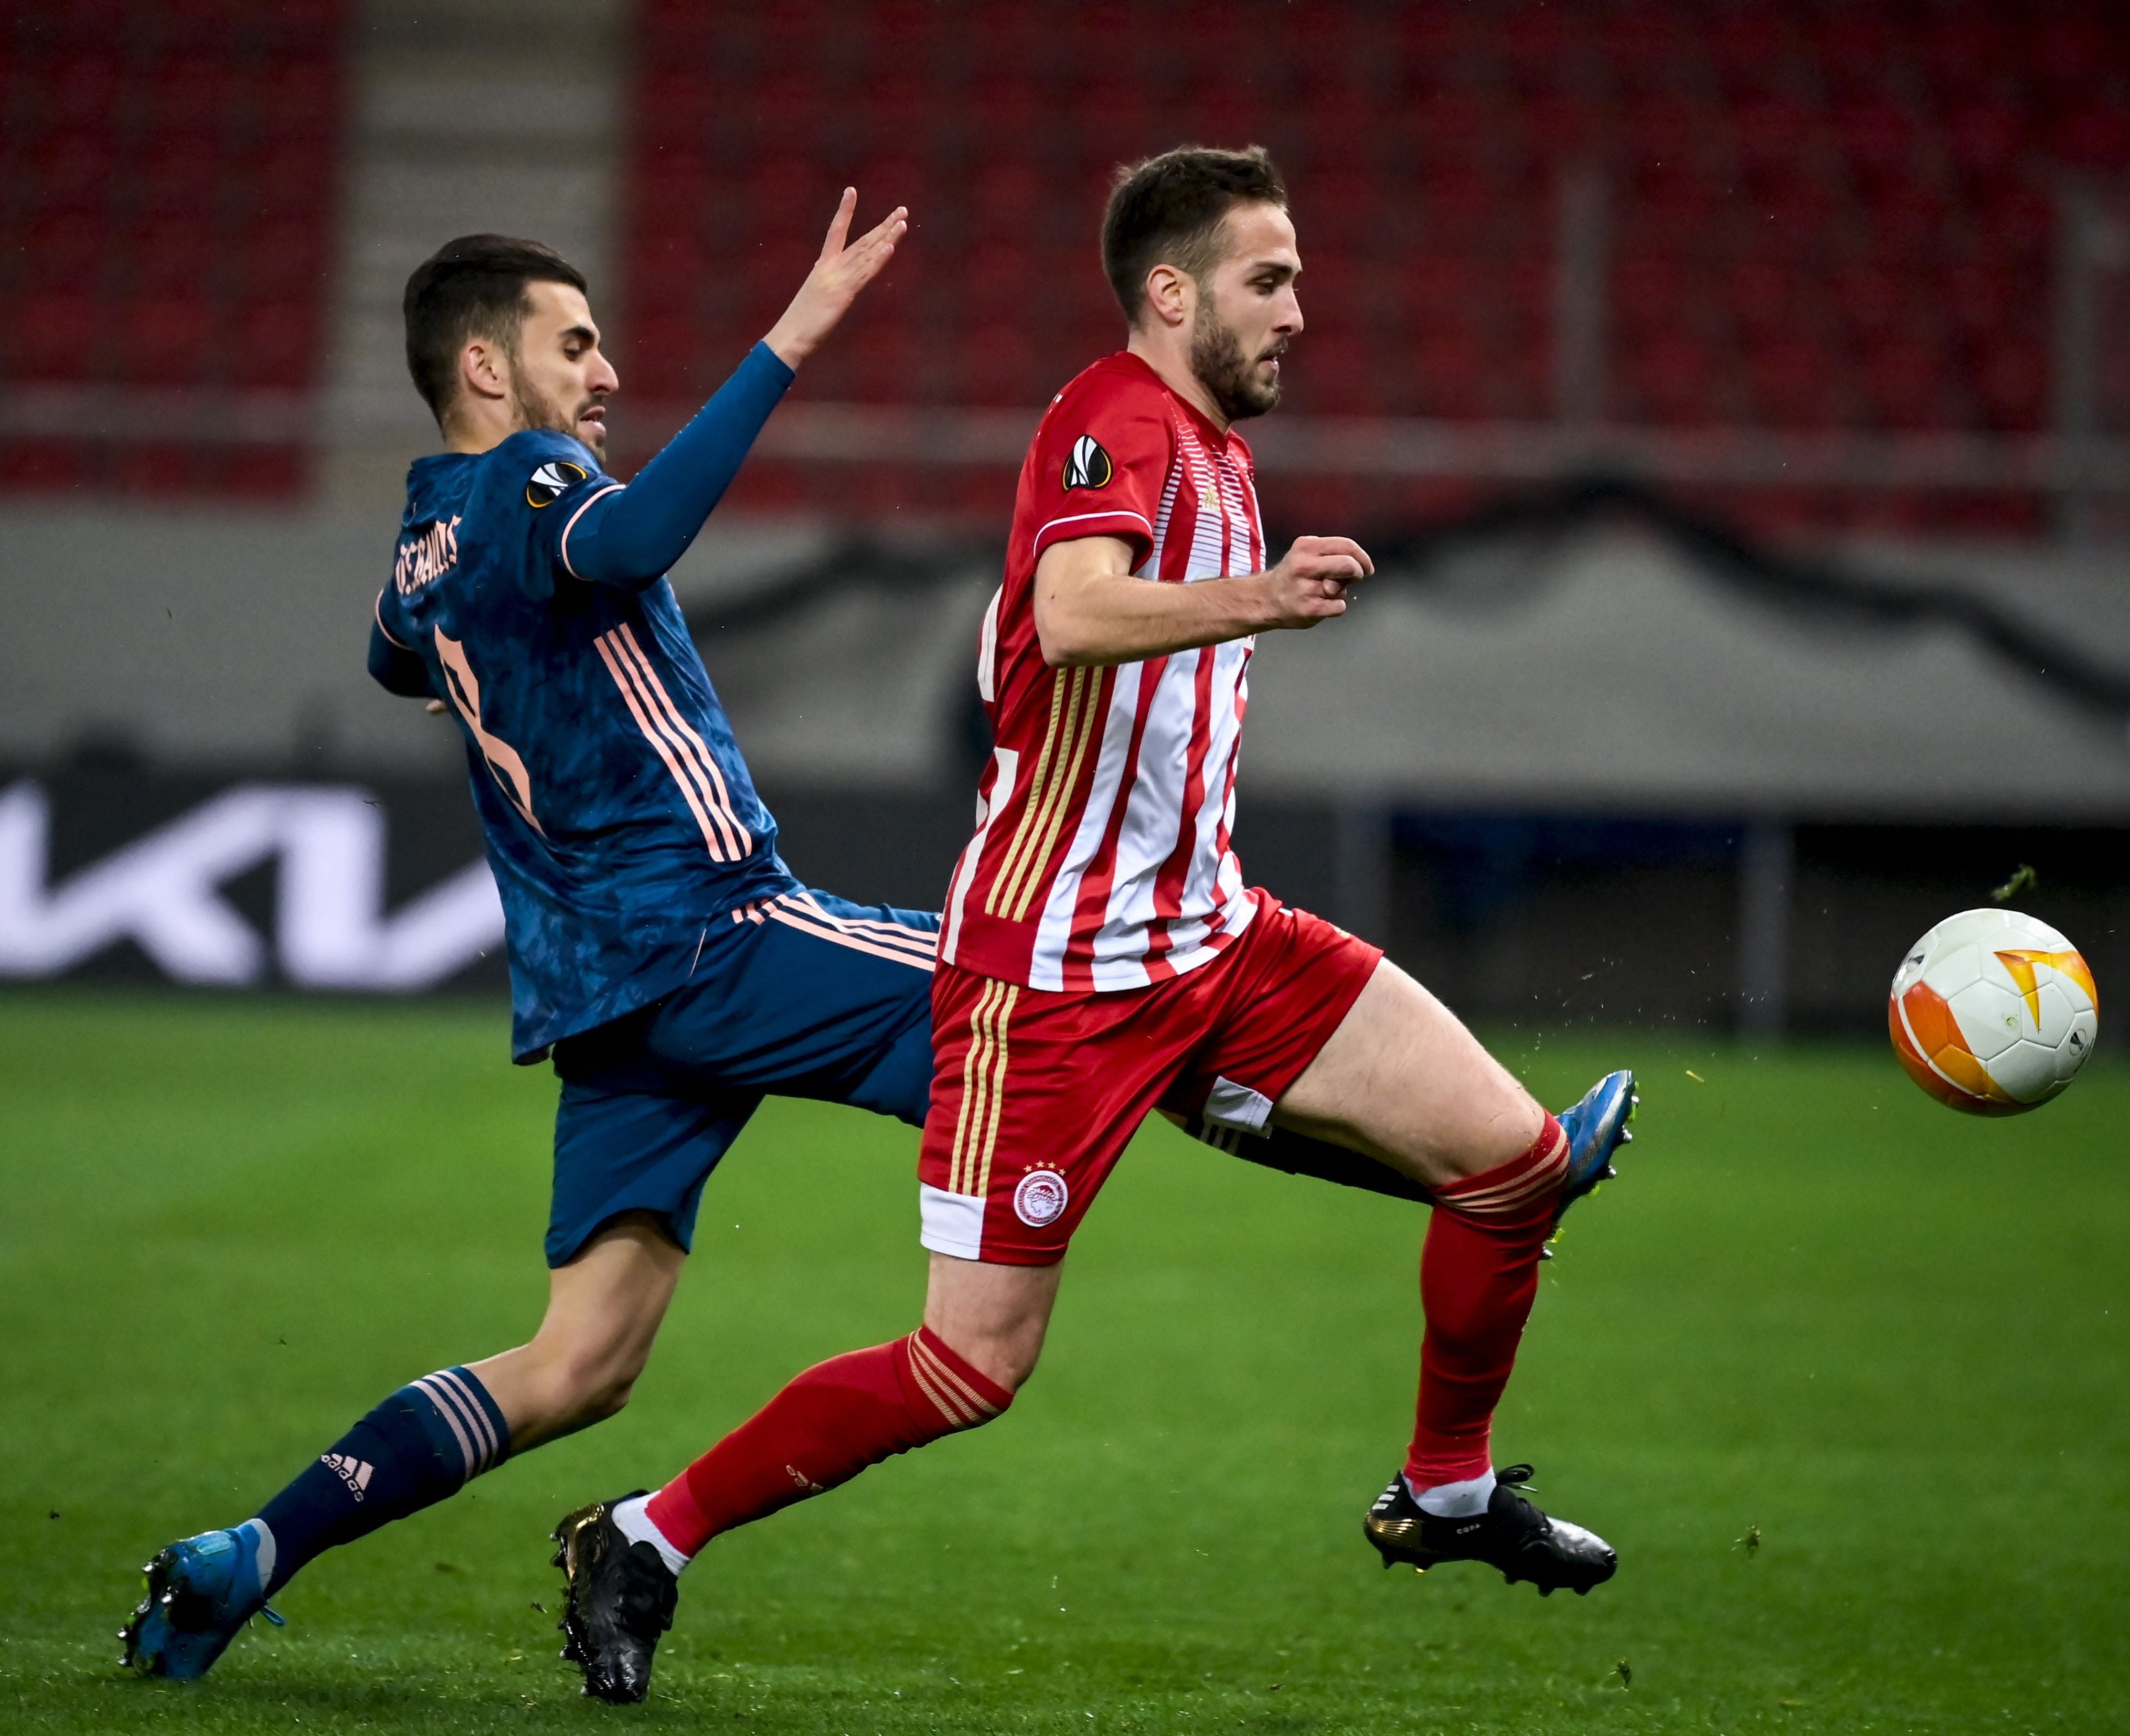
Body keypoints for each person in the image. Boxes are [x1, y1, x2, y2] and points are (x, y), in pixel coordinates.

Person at [118, 196, 1444, 1682]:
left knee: (579, 1366)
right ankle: (1444, 1168)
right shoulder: (538, 479)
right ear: (485, 370)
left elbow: (391, 659)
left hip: (599, 996)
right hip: (711, 932)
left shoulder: (420, 550)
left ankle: (253, 1552)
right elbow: (634, 537)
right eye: (575, 345)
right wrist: (792, 335)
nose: (605, 373)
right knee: (1058, 985)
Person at [548, 146, 1638, 1707]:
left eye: (1301, 282)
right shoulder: (1109, 419)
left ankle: (1446, 1494)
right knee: (967, 1368)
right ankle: (647, 1537)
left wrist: (1250, 588)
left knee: (1515, 1164)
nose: (1299, 313)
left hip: (1216, 939)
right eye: (1270, 281)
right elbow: (1069, 615)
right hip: (1051, 979)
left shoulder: (1218, 451)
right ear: (1171, 292)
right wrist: (1258, 596)